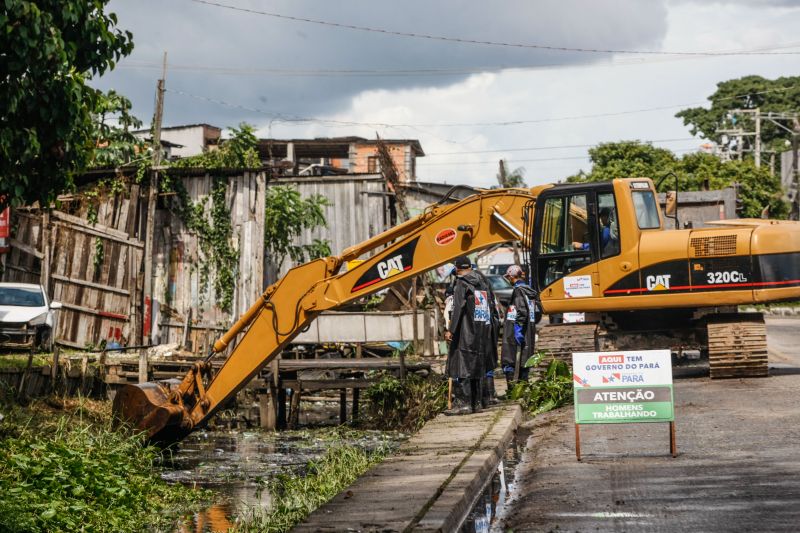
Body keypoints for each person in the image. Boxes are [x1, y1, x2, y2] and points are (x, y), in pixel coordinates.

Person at [444, 255, 492, 415]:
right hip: (480, 330)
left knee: (461, 364)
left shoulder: (462, 284)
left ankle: (463, 405)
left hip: (465, 331)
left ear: (457, 268)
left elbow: (458, 307)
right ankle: (476, 403)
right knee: (476, 364)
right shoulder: (482, 282)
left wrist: (451, 330)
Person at [500, 265, 541, 388]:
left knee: (510, 360)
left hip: (516, 332)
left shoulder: (519, 291)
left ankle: (514, 390)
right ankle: (523, 389)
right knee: (524, 361)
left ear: (511, 276)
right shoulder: (529, 292)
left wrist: (518, 329)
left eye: (508, 277)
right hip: (528, 332)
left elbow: (522, 311)